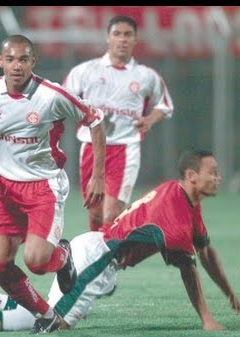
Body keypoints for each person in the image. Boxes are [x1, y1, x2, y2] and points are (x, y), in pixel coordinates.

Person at [0, 150, 240, 332]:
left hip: (93, 251)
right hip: (96, 260)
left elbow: (205, 252)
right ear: (191, 176)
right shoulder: (174, 210)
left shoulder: (185, 201)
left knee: (44, 311)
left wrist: (228, 293)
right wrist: (207, 319)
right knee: (53, 324)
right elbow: (189, 265)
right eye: (211, 172)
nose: (217, 177)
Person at [0, 34, 107, 334]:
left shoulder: (51, 95)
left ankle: (63, 256)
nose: (16, 66)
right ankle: (46, 315)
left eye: (23, 59)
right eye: (10, 59)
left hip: (43, 186)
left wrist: (98, 175)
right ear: (0, 61)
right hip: (4, 188)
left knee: (35, 261)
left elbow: (95, 120)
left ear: (33, 62)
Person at [63, 15, 174, 231]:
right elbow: (63, 100)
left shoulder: (146, 76)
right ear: (108, 38)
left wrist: (150, 119)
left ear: (135, 40)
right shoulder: (85, 71)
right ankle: (94, 256)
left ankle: (108, 262)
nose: (122, 39)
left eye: (127, 35)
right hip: (91, 148)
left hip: (125, 148)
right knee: (95, 212)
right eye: (117, 34)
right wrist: (80, 115)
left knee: (112, 212)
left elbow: (165, 105)